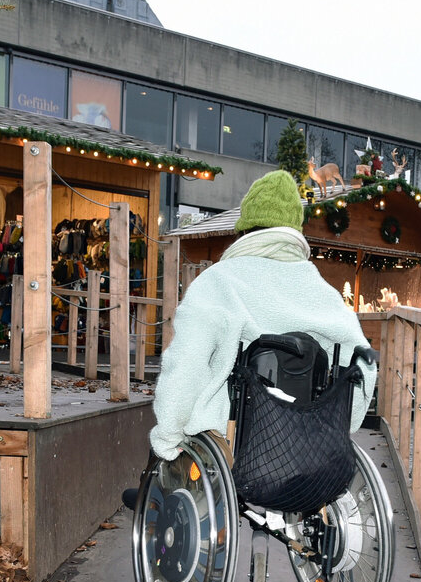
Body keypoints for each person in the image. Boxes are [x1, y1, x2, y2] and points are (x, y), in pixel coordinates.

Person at [147, 170, 377, 465]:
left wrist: (167, 436)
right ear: (295, 230)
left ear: (244, 229)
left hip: (231, 443)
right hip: (308, 446)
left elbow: (186, 366)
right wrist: (341, 427)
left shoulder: (218, 282)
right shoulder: (325, 293)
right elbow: (363, 366)